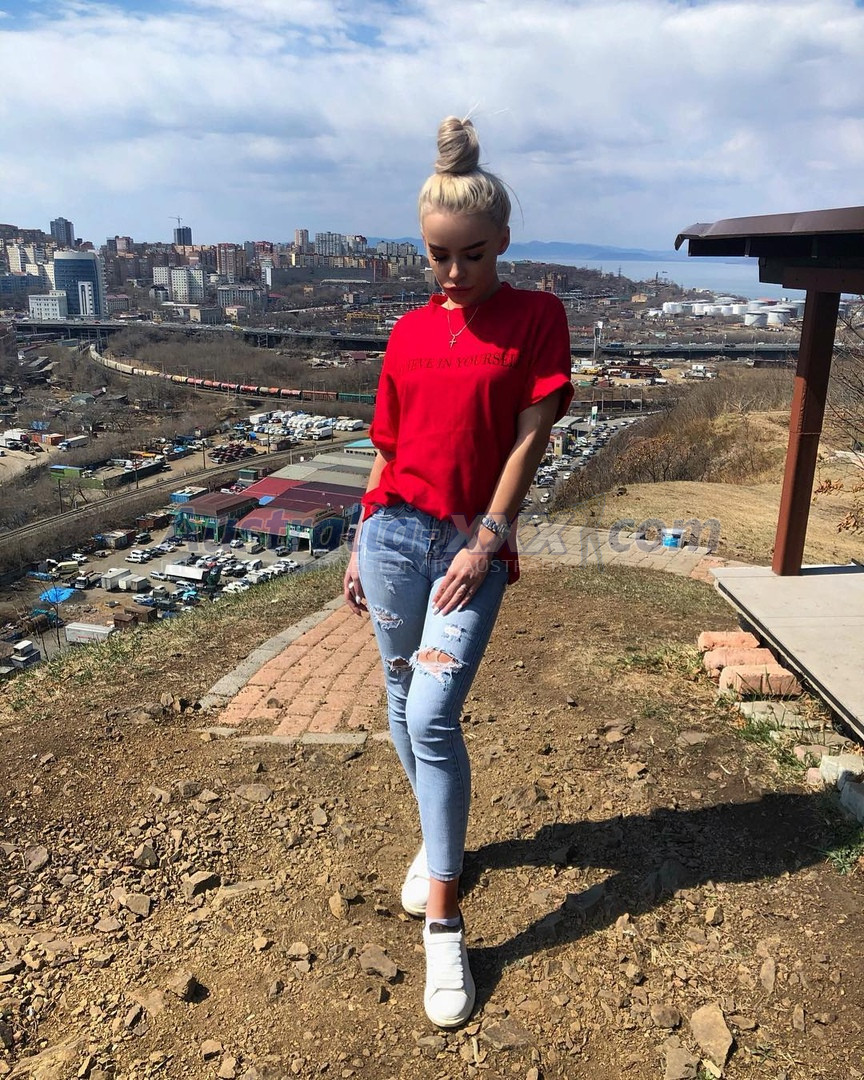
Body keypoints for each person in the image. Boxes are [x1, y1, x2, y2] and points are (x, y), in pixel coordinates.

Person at [343, 115, 573, 1028]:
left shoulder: (536, 316)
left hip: (471, 543)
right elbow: (386, 448)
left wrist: (489, 539)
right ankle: (440, 842)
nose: (453, 272)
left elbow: (531, 436)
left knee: (433, 713)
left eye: (471, 255)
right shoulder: (406, 332)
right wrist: (358, 542)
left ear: (502, 241)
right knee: (401, 699)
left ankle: (445, 920)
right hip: (391, 537)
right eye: (438, 256)